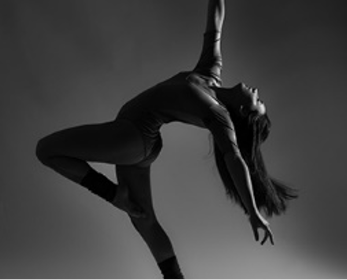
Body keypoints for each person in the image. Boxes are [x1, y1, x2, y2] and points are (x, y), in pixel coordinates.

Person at [36, 0, 297, 278]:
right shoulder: (210, 72)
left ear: (245, 112)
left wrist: (253, 212)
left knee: (47, 150)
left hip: (133, 136)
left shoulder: (217, 114)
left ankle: (113, 194)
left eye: (258, 101)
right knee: (145, 222)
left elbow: (235, 159)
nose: (257, 91)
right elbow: (215, 21)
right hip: (141, 143)